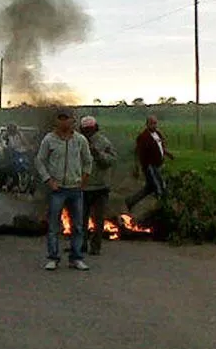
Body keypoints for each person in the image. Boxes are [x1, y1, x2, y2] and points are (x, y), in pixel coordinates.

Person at [35, 107, 93, 271]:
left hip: (75, 189)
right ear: (56, 121)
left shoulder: (80, 140)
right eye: (60, 118)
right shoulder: (49, 140)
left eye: (66, 118)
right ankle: (53, 257)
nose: (63, 121)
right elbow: (39, 161)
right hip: (57, 189)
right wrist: (48, 180)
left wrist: (84, 180)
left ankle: (76, 258)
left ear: (73, 121)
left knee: (78, 226)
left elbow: (88, 161)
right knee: (54, 225)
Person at [79, 116, 117, 256]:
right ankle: (81, 244)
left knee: (98, 219)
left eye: (91, 130)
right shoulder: (77, 141)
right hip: (83, 186)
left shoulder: (103, 142)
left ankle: (95, 246)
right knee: (81, 219)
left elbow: (112, 160)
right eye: (86, 130)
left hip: (100, 187)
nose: (89, 133)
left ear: (95, 128)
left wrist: (98, 154)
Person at [125, 115, 175, 212]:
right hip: (149, 166)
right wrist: (138, 167)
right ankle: (162, 207)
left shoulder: (158, 134)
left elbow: (160, 147)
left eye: (155, 123)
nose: (154, 125)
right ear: (147, 124)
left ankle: (130, 201)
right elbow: (138, 153)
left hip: (157, 165)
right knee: (159, 187)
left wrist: (168, 154)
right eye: (152, 123)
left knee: (149, 188)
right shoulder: (143, 137)